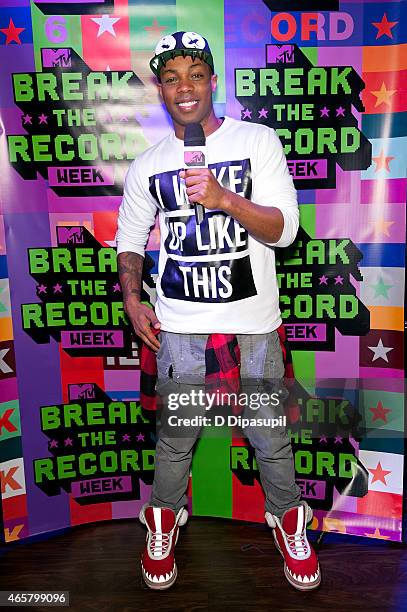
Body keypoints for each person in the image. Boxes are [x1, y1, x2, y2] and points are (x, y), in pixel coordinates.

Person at [116, 30, 321, 592]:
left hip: (253, 326)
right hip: (180, 330)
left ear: (212, 80)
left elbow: (285, 231)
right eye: (171, 77)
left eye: (195, 75)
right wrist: (133, 299)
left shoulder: (257, 142)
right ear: (160, 88)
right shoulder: (148, 164)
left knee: (269, 436)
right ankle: (162, 521)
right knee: (174, 439)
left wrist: (225, 199)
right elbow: (130, 239)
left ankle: (287, 521)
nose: (184, 87)